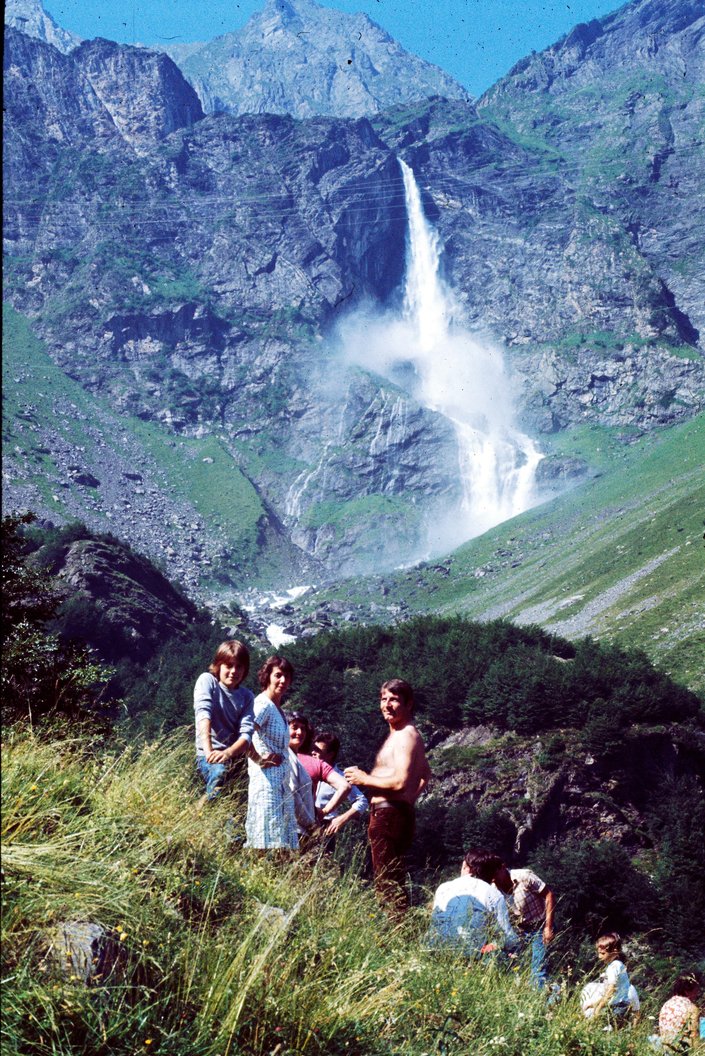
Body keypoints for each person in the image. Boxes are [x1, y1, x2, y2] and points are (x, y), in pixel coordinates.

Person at [344, 678, 431, 919]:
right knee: (392, 878)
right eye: (384, 699)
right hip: (392, 812)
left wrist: (364, 779)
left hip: (388, 814)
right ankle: (399, 929)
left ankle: (393, 933)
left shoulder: (406, 735)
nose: (387, 705)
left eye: (394, 699)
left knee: (386, 882)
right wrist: (408, 800)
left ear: (408, 703)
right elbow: (425, 773)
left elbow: (399, 781)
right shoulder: (402, 735)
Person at [244, 656, 298, 852]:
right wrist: (259, 759)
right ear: (267, 676)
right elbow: (244, 736)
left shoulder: (278, 710)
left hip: (280, 785)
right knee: (266, 844)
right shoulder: (263, 704)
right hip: (265, 783)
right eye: (278, 675)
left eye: (287, 677)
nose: (283, 681)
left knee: (281, 845)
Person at [428, 849, 519, 959]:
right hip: (470, 957)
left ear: (465, 866)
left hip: (435, 951)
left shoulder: (443, 887)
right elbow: (508, 937)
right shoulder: (492, 893)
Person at [194, 640, 255, 802]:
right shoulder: (208, 681)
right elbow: (203, 715)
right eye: (229, 665)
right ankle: (200, 809)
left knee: (236, 810)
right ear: (218, 666)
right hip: (207, 756)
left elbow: (246, 735)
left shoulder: (247, 696)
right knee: (219, 773)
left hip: (233, 758)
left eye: (239, 666)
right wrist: (209, 753)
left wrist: (228, 753)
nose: (234, 671)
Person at [286, 713, 350, 843]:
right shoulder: (316, 763)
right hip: (307, 829)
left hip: (285, 826)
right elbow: (345, 786)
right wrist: (323, 812)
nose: (299, 732)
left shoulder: (276, 757)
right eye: (295, 727)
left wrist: (323, 812)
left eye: (303, 728)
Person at [491, 859, 555, 988]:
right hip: (518, 930)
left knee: (538, 969)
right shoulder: (493, 889)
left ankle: (541, 1001)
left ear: (503, 867)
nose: (493, 878)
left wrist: (548, 927)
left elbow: (549, 895)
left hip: (539, 926)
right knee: (511, 963)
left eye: (494, 873)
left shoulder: (524, 876)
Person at [311, 731, 369, 837]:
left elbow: (362, 801)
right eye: (313, 749)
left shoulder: (341, 778)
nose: (313, 753)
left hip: (325, 828)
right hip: (302, 825)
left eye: (318, 750)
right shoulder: (307, 771)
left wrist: (341, 819)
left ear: (330, 754)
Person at [580, 932, 632, 1025]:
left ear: (614, 951)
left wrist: (598, 1008)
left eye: (603, 953)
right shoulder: (619, 964)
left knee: (598, 1025)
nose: (599, 957)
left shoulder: (613, 967)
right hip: (623, 1005)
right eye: (599, 953)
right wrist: (594, 1004)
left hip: (617, 1007)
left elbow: (611, 990)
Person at [658, 974, 701, 1051]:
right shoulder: (691, 1008)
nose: (697, 993)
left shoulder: (666, 1005)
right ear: (687, 991)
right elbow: (694, 1036)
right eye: (696, 990)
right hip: (682, 1051)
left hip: (666, 1050)